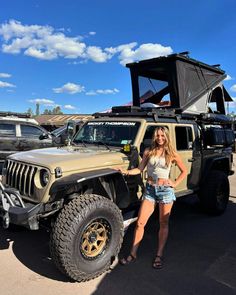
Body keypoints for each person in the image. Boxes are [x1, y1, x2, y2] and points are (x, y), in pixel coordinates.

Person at [119, 126, 187, 269]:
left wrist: (174, 183)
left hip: (165, 191)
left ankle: (159, 255)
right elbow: (139, 169)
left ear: (166, 136)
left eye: (162, 135)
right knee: (140, 223)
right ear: (154, 137)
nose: (160, 138)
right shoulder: (148, 151)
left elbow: (184, 171)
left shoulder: (172, 153)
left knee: (163, 223)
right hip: (150, 190)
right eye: (157, 136)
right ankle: (133, 253)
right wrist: (125, 171)